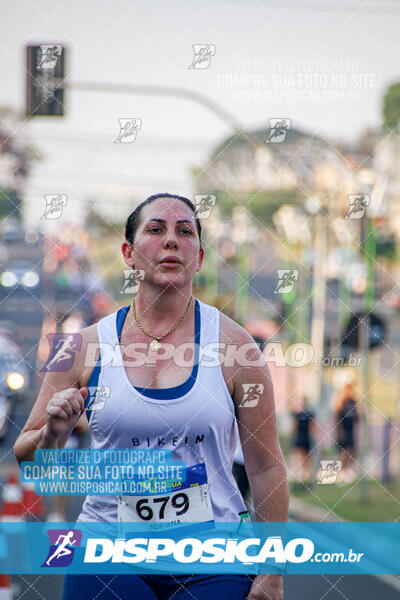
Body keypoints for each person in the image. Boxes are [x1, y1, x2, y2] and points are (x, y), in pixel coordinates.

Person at [14, 193, 288, 600]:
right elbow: (28, 456)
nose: (172, 241)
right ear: (128, 252)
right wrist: (53, 431)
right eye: (156, 229)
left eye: (185, 232)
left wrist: (272, 571)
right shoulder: (80, 348)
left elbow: (266, 467)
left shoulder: (237, 347)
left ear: (199, 256)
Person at [334, 382, 359, 483]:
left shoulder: (353, 402)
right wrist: (339, 432)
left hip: (351, 430)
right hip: (343, 431)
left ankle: (346, 469)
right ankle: (341, 471)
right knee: (344, 452)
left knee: (353, 451)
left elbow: (357, 417)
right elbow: (337, 418)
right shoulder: (341, 402)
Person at [290, 396, 315, 484]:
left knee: (306, 459)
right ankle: (301, 476)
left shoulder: (306, 414)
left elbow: (312, 427)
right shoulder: (300, 414)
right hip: (301, 438)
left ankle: (305, 476)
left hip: (305, 438)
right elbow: (294, 427)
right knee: (301, 458)